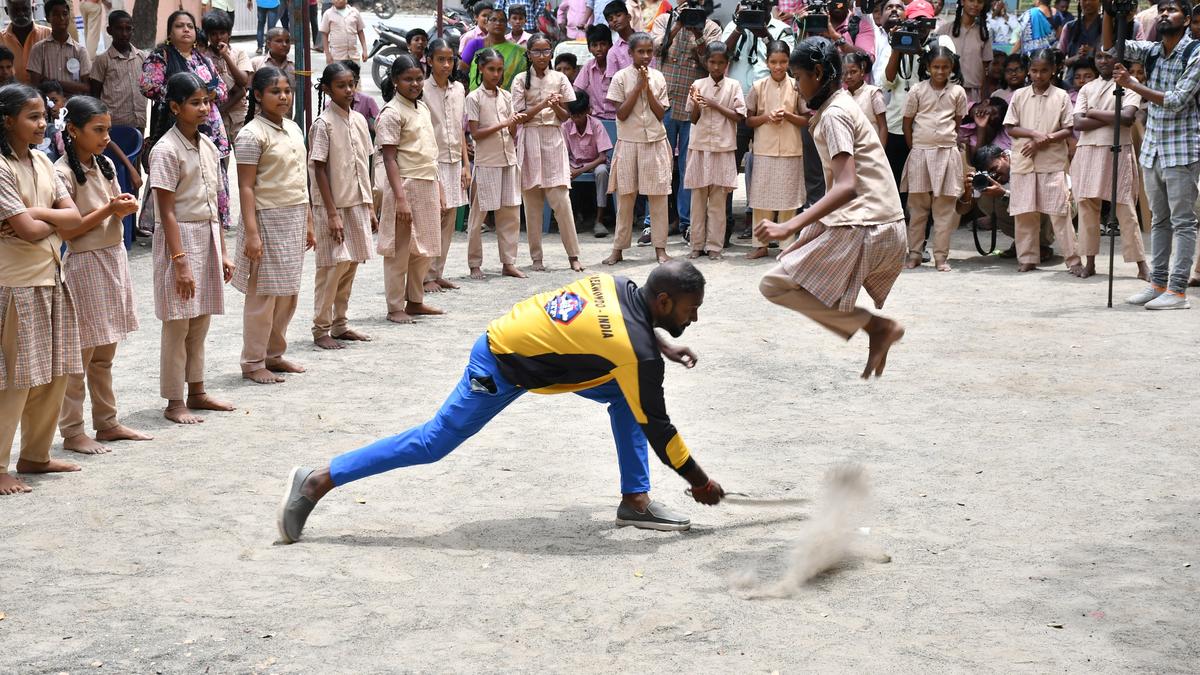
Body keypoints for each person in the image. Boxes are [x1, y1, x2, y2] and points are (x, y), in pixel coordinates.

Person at [275, 261, 725, 542]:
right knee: (433, 443)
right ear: (663, 301)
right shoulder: (636, 353)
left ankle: (636, 501)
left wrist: (662, 344)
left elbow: (618, 332)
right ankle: (318, 479)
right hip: (500, 365)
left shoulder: (620, 282)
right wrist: (700, 482)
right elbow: (661, 430)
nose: (696, 317)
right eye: (690, 308)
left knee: (630, 399)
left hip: (539, 352)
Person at [754, 37, 906, 380]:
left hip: (868, 224)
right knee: (778, 282)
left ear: (818, 73)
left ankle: (874, 327)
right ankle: (873, 327)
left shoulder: (835, 114)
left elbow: (847, 185)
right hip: (869, 219)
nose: (794, 84)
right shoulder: (836, 106)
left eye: (798, 76)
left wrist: (788, 227)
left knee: (774, 284)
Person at [53, 96, 150, 455]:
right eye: (98, 130)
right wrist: (110, 208)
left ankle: (107, 422)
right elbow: (71, 230)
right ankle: (73, 430)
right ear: (73, 131)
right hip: (85, 265)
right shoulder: (60, 173)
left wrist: (121, 206)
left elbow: (108, 211)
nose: (106, 137)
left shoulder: (106, 163)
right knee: (80, 356)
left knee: (105, 353)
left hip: (113, 259)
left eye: (108, 129)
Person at [0, 82, 83, 495]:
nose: (41, 123)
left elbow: (73, 214)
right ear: (7, 120)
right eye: (32, 116)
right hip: (15, 283)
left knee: (52, 373)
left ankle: (35, 453)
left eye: (43, 116)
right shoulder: (0, 167)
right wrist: (44, 221)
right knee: (15, 378)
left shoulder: (44, 161)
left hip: (51, 275)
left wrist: (35, 216)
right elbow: (33, 229)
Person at [1105, 1, 1200, 308]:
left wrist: (1132, 84)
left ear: (1186, 19)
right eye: (1161, 10)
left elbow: (1175, 100)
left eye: (1171, 10)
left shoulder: (1195, 53)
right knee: (1159, 220)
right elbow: (1111, 47)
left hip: (1181, 149)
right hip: (1154, 148)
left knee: (1183, 222)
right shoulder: (1153, 50)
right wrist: (1112, 13)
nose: (1163, 14)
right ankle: (1157, 284)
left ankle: (1178, 291)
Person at [233, 67, 313, 384]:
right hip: (266, 218)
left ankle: (274, 354)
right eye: (275, 91)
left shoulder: (293, 128)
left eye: (286, 91)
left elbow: (299, 179)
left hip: (293, 217)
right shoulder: (251, 135)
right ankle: (253, 361)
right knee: (263, 294)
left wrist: (308, 220)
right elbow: (246, 187)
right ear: (257, 96)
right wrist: (252, 234)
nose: (283, 97)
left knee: (288, 293)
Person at [141, 11, 231, 230]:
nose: (186, 30)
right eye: (180, 26)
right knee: (178, 170)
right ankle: (174, 221)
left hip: (210, 127)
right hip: (175, 123)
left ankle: (213, 217)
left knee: (210, 169)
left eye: (190, 26)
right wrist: (182, 97)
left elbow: (222, 89)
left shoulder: (203, 59)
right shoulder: (161, 56)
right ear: (170, 32)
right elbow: (148, 86)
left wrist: (205, 97)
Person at [309, 62, 376, 350]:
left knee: (350, 266)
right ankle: (320, 327)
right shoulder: (323, 125)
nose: (348, 90)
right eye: (341, 85)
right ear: (327, 88)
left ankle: (340, 323)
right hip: (333, 207)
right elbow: (319, 169)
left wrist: (371, 207)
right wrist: (332, 213)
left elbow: (366, 163)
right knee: (331, 268)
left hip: (357, 202)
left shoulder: (360, 120)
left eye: (352, 84)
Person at [1070, 48, 1147, 280]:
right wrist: (1108, 116)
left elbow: (1126, 119)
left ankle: (1142, 266)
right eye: (1099, 57)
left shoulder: (1129, 84)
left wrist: (1093, 112)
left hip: (1117, 150)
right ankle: (1090, 262)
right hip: (1087, 150)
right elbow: (1078, 124)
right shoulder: (1087, 87)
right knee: (1087, 207)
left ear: (1119, 58)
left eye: (1108, 56)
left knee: (1125, 207)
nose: (1103, 61)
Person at [1002, 48, 1080, 275]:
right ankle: (1027, 258)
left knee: (1060, 213)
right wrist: (1035, 135)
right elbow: (1010, 127)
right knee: (1024, 212)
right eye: (1034, 71)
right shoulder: (1019, 95)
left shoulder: (1061, 96)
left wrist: (1044, 140)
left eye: (1044, 71)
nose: (1038, 75)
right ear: (1028, 71)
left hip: (1052, 162)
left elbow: (1068, 129)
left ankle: (1073, 260)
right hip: (1024, 162)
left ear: (1054, 70)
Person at [512, 33, 585, 272]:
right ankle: (537, 259)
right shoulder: (521, 80)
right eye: (537, 52)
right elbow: (520, 117)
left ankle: (573, 255)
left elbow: (566, 117)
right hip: (530, 137)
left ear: (551, 53)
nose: (542, 56)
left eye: (546, 51)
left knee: (561, 201)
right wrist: (543, 105)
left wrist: (555, 106)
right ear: (529, 54)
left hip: (553, 138)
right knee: (532, 205)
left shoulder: (560, 78)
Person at [650, 5, 722, 241]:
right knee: (660, 164)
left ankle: (687, 223)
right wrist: (678, 24)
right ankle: (654, 223)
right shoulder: (664, 21)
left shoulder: (711, 28)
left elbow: (709, 61)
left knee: (689, 167)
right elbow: (656, 50)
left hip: (693, 106)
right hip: (666, 103)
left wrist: (697, 33)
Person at [602, 32, 672, 266]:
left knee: (658, 198)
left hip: (654, 142)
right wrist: (638, 87)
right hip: (629, 143)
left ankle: (660, 248)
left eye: (649, 51)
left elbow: (661, 113)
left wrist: (648, 89)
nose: (645, 56)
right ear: (630, 53)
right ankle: (618, 249)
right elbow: (621, 114)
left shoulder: (659, 77)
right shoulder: (621, 78)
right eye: (640, 51)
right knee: (626, 198)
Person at [901, 46, 968, 272]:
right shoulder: (917, 91)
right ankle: (915, 254)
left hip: (947, 153)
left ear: (952, 68)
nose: (940, 71)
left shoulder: (958, 92)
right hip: (920, 153)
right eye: (936, 67)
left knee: (944, 210)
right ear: (928, 68)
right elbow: (907, 123)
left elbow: (957, 122)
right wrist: (916, 148)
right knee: (918, 209)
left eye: (945, 67)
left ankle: (941, 257)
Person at [465, 49, 525, 280]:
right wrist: (505, 124)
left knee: (510, 215)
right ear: (481, 69)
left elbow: (511, 131)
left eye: (499, 70)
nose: (496, 74)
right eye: (491, 69)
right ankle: (474, 264)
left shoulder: (507, 96)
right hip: (487, 163)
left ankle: (508, 262)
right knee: (478, 217)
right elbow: (476, 134)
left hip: (508, 160)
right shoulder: (474, 98)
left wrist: (513, 124)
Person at [684, 41, 745, 261]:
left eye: (721, 63)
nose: (716, 67)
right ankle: (696, 245)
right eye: (712, 62)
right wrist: (699, 104)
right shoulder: (698, 84)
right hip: (700, 147)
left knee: (718, 203)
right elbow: (692, 118)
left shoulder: (734, 86)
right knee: (698, 200)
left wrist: (714, 104)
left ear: (727, 64)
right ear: (706, 62)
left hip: (722, 148)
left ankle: (715, 247)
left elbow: (739, 116)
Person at [745, 40, 805, 261]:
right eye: (774, 62)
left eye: (783, 62)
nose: (778, 66)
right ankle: (760, 244)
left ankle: (786, 244)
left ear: (789, 62)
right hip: (764, 149)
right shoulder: (758, 87)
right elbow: (748, 120)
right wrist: (766, 117)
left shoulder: (797, 86)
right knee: (762, 200)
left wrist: (788, 115)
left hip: (791, 149)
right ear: (767, 62)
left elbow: (807, 119)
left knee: (789, 199)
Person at [422, 39, 468, 293]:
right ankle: (425, 275)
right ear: (430, 60)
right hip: (432, 160)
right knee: (432, 217)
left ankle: (438, 272)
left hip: (454, 160)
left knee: (449, 216)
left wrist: (466, 164)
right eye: (440, 59)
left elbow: (460, 128)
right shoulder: (423, 90)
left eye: (450, 59)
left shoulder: (459, 89)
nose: (446, 64)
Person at [966, 143, 1055, 258]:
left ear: (1004, 156)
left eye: (994, 169)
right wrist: (967, 192)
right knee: (985, 200)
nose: (994, 175)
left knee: (1038, 204)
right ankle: (1023, 242)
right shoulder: (986, 177)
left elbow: (1035, 199)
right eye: (989, 173)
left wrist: (1004, 194)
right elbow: (962, 211)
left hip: (1057, 202)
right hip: (1027, 205)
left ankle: (1041, 244)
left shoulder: (1024, 161)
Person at [564, 89, 613, 237]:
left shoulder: (596, 125)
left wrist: (580, 170)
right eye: (573, 115)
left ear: (588, 111)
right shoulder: (566, 126)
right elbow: (562, 154)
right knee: (561, 172)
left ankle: (599, 220)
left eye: (579, 115)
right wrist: (571, 168)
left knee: (602, 172)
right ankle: (571, 218)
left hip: (595, 164)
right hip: (574, 164)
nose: (576, 119)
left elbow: (602, 157)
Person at [90, 11, 146, 134]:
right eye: (119, 29)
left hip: (138, 121)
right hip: (113, 124)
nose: (124, 33)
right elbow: (94, 94)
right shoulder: (102, 60)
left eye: (128, 29)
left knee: (138, 151)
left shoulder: (142, 57)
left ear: (133, 30)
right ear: (109, 30)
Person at [202, 11, 252, 142]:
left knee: (242, 153)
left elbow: (243, 82)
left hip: (239, 114)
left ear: (229, 34)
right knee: (220, 158)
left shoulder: (239, 53)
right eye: (213, 34)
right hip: (214, 116)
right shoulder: (203, 57)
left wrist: (225, 56)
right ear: (207, 36)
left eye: (222, 33)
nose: (218, 37)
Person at [27, 0, 92, 96]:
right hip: (49, 107)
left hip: (74, 106)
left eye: (65, 14)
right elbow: (36, 87)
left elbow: (86, 87)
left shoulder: (80, 50)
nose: (61, 18)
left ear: (69, 17)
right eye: (56, 15)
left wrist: (53, 82)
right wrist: (71, 88)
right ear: (48, 18)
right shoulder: (38, 49)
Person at [936, 0, 992, 101]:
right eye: (971, 0)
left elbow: (985, 69)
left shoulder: (984, 34)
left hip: (973, 93)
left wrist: (983, 98)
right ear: (962, 2)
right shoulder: (945, 30)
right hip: (946, 90)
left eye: (980, 2)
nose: (975, 5)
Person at [465, 8, 529, 91]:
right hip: (476, 99)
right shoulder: (475, 44)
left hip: (506, 100)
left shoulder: (519, 52)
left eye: (502, 21)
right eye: (493, 20)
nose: (498, 23)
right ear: (486, 24)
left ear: (506, 25)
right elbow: (462, 71)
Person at [0, 0, 51, 85]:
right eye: (15, 10)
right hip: (9, 96)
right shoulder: (1, 39)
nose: (21, 14)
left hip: (44, 94)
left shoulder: (49, 35)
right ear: (6, 11)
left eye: (25, 9)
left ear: (33, 8)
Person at [844, 51, 887, 142]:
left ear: (862, 71)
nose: (848, 76)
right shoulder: (841, 97)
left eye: (853, 72)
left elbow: (883, 127)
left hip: (871, 150)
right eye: (845, 73)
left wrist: (880, 153)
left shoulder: (873, 93)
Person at [575, 24, 616, 119]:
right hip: (595, 118)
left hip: (617, 117)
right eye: (594, 45)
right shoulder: (588, 67)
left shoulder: (616, 65)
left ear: (610, 45)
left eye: (603, 44)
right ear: (589, 48)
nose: (599, 49)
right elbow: (577, 91)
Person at [1059, 0, 1102, 85]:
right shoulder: (1069, 27)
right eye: (1084, 0)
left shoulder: (1109, 26)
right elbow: (1059, 61)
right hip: (1072, 84)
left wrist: (1094, 52)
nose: (1088, 2)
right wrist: (1076, 58)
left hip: (1099, 83)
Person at [604, 0, 636, 77]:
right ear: (610, 26)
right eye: (611, 19)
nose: (615, 20)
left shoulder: (645, 41)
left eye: (618, 15)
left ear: (629, 17)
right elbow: (613, 84)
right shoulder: (613, 52)